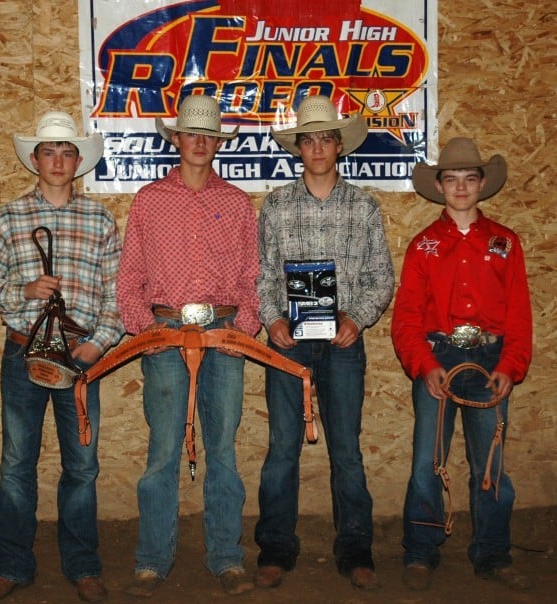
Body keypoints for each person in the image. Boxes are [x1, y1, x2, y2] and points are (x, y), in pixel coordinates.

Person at [0, 111, 124, 603]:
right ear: (35, 159)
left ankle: (82, 565)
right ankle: (12, 564)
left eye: (67, 151)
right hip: (23, 355)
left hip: (80, 356)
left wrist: (97, 344)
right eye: (49, 151)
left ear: (78, 161)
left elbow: (118, 295)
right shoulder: (7, 217)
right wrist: (24, 290)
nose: (58, 160)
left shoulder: (99, 220)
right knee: (16, 463)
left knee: (82, 465)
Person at [116, 94, 260, 597]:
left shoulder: (238, 204)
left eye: (209, 135)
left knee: (222, 449)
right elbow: (130, 276)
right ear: (175, 138)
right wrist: (143, 330)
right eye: (190, 133)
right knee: (161, 451)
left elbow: (251, 277)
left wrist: (246, 328)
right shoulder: (149, 201)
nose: (199, 142)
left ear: (218, 142)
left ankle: (226, 557)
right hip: (166, 330)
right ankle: (153, 558)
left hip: (222, 333)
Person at [255, 94, 394, 591]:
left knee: (347, 450)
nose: (317, 147)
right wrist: (272, 320)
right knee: (282, 449)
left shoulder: (363, 206)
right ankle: (275, 546)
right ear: (298, 148)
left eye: (325, 138)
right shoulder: (275, 205)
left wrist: (357, 318)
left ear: (339, 146)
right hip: (288, 343)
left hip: (341, 343)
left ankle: (356, 548)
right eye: (307, 139)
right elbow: (262, 275)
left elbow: (381, 277)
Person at [391, 137, 533, 591]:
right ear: (439, 185)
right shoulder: (423, 246)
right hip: (439, 356)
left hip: (490, 359)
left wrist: (510, 366)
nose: (460, 187)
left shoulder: (505, 244)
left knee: (490, 462)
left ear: (481, 184)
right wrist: (423, 363)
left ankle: (492, 552)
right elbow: (408, 317)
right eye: (451, 179)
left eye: (469, 179)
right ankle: (421, 550)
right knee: (427, 460)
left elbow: (519, 315)